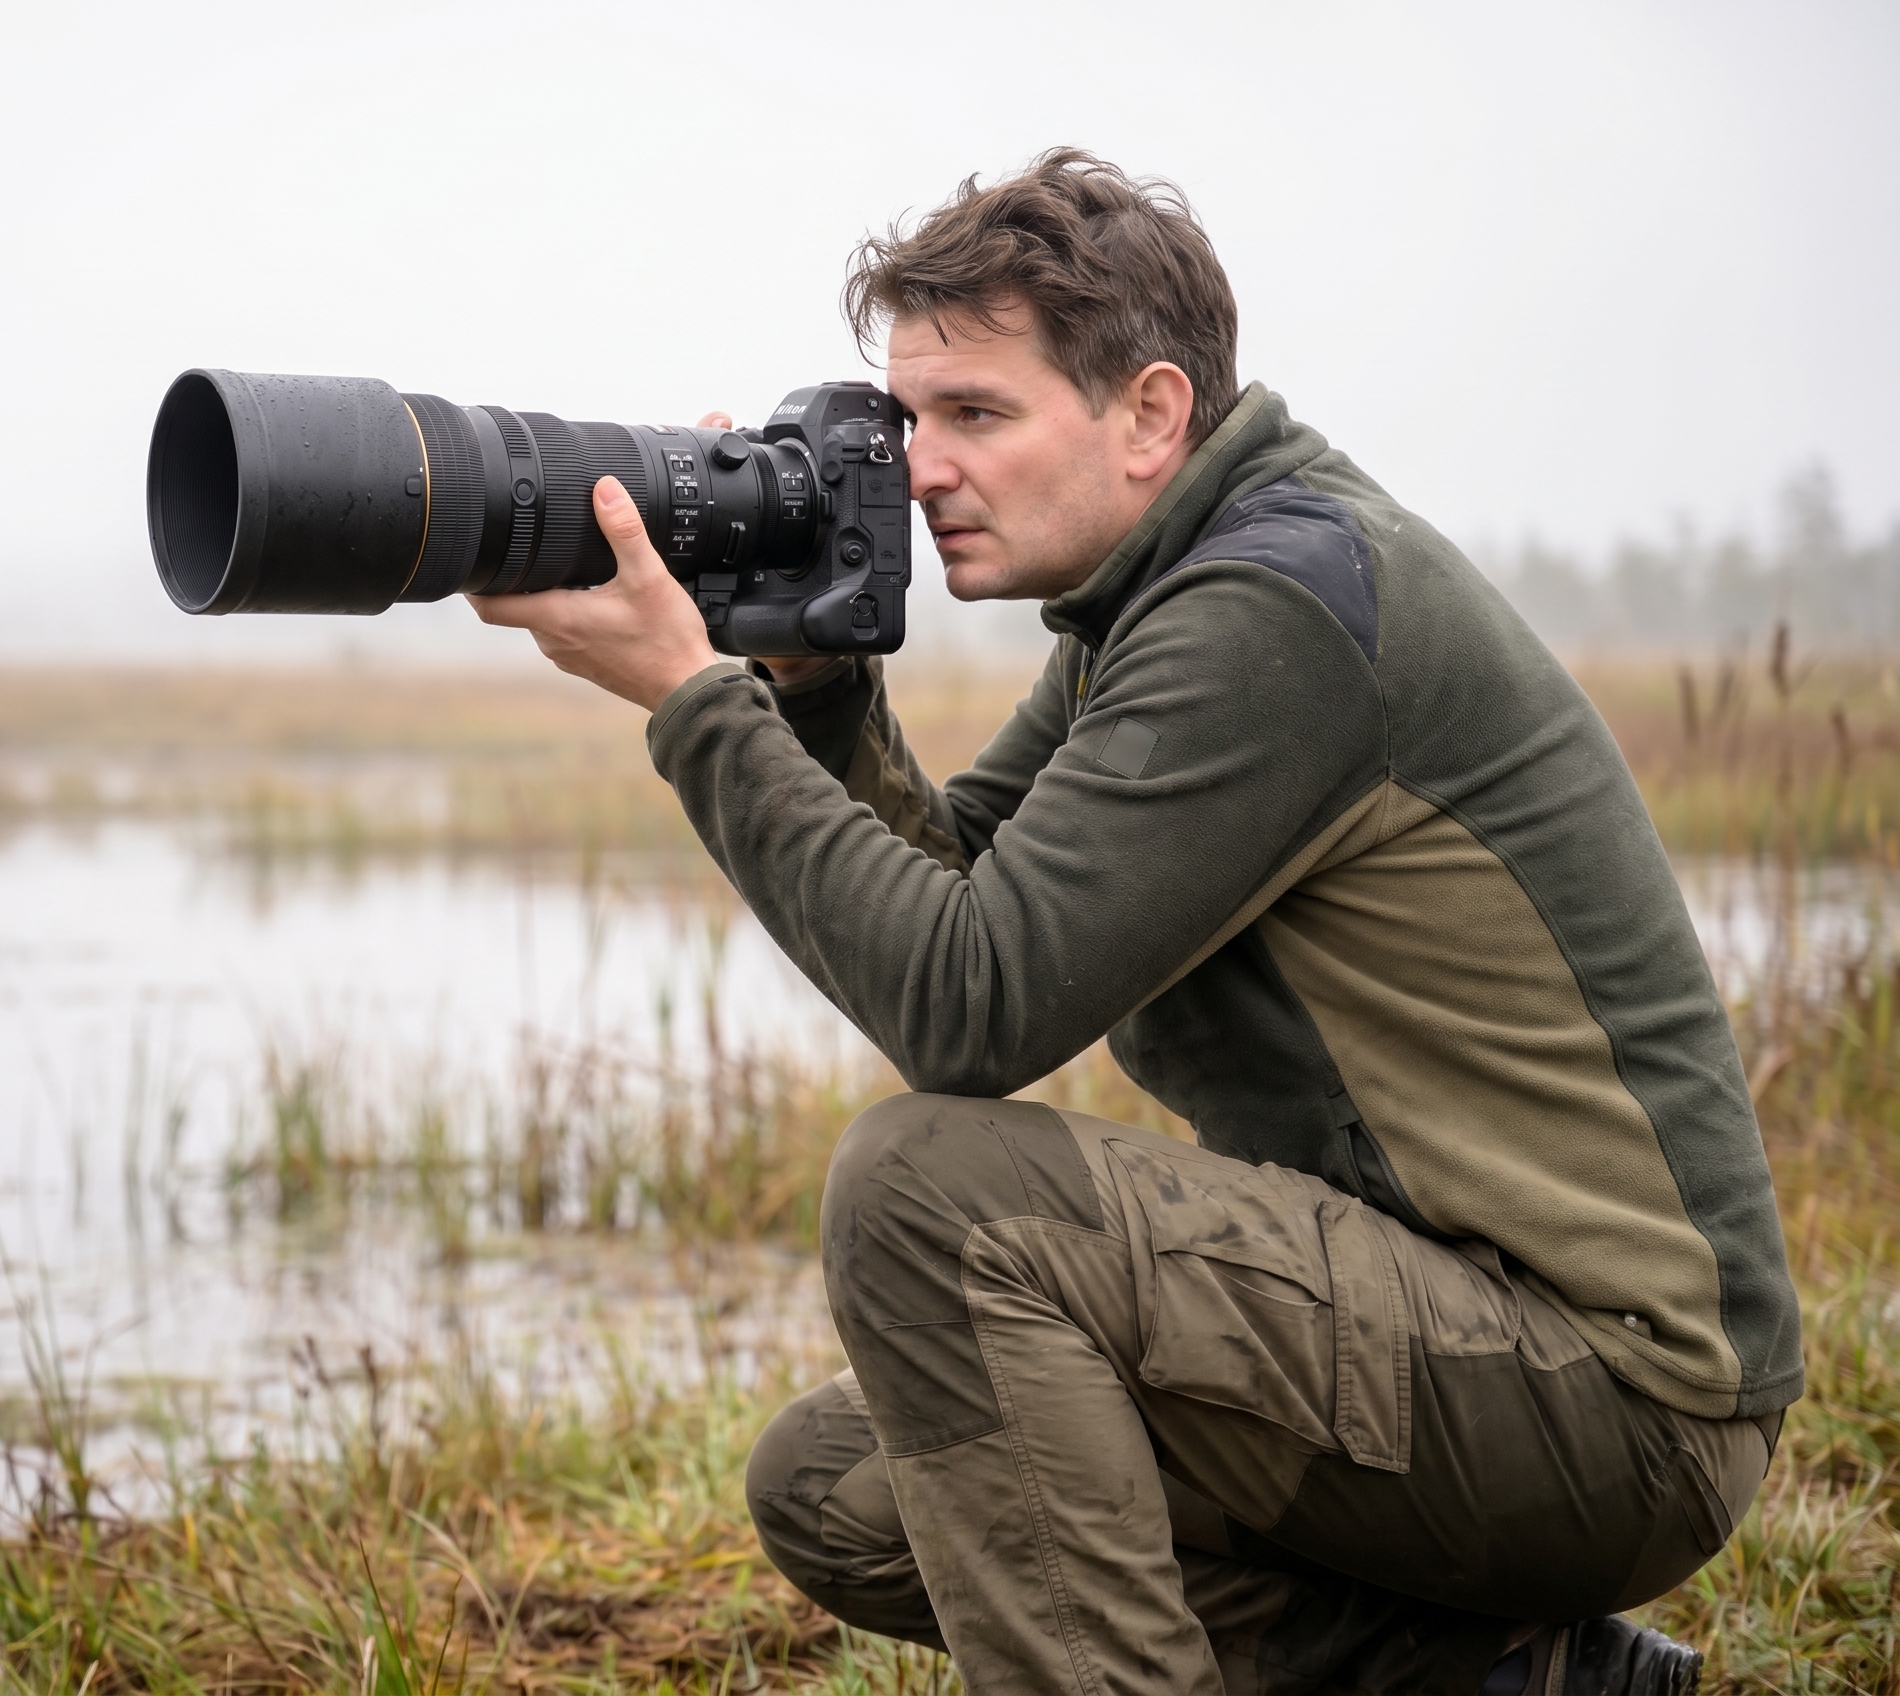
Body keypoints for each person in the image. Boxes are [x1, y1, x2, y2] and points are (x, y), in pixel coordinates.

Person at [470, 148, 1800, 1696]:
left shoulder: (1275, 613)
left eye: (975, 416)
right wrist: (806, 679)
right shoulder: (1167, 600)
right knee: (846, 1494)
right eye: (905, 422)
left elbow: (970, 1010)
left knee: (925, 1192)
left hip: (1619, 1401)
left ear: (1153, 413)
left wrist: (695, 705)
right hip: (1484, 1357)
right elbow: (970, 879)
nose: (918, 470)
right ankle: (1516, 1678)